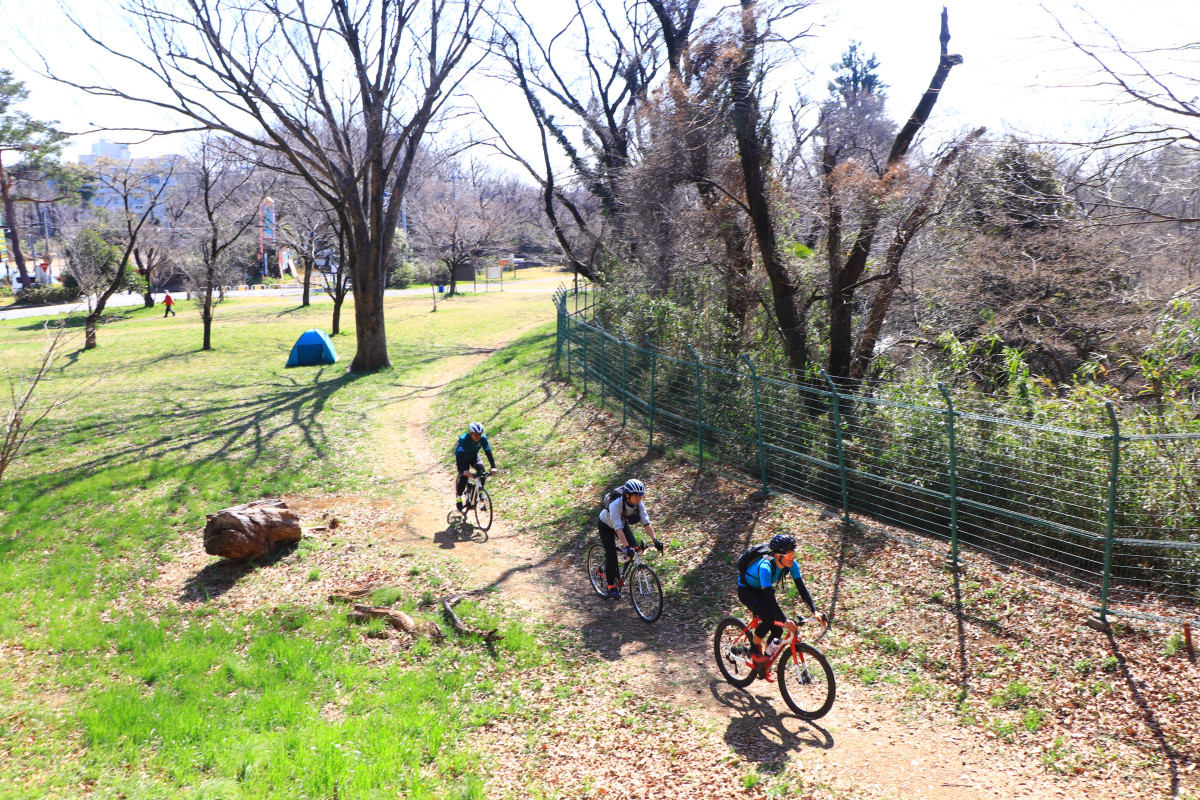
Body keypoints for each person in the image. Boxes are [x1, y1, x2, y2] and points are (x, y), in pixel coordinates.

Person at [737, 534, 828, 681]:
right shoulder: (766, 567)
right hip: (747, 590)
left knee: (778, 628)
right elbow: (768, 597)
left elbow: (801, 588)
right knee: (768, 618)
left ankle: (765, 663)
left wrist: (814, 611)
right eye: (789, 554)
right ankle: (754, 651)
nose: (792, 557)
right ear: (778, 556)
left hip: (762, 589)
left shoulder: (792, 564)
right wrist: (785, 619)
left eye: (794, 553)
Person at [597, 478, 662, 599]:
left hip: (621, 524)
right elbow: (618, 529)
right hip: (606, 525)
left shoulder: (638, 505)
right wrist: (626, 547)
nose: (639, 498)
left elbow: (646, 523)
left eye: (641, 495)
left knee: (635, 549)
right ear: (627, 495)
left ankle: (620, 575)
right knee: (611, 555)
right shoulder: (615, 505)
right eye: (636, 495)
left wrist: (655, 540)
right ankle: (611, 585)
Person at [455, 422, 496, 512]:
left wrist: (493, 466)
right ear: (470, 433)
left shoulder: (483, 439)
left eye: (479, 435)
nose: (478, 437)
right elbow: (461, 454)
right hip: (462, 458)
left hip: (474, 456)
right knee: (463, 478)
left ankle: (479, 492)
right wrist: (465, 470)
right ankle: (458, 497)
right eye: (475, 435)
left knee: (482, 472)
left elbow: (488, 452)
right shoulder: (464, 439)